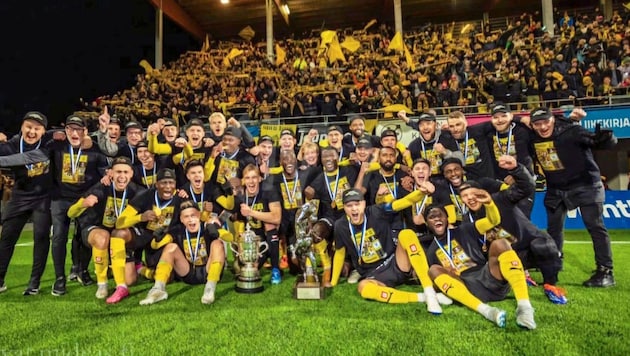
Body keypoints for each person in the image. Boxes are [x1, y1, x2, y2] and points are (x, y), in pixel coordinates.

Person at [529, 107, 616, 287]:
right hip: (556, 188)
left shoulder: (572, 131)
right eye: (537, 124)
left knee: (595, 227)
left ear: (553, 120)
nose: (543, 127)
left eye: (546, 122)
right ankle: (553, 264)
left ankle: (606, 271)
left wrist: (607, 138)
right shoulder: (532, 138)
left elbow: (596, 141)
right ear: (532, 125)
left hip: (586, 184)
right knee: (553, 230)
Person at [423, 192, 537, 329]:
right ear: (427, 223)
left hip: (489, 277)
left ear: (447, 218)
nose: (436, 219)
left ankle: (525, 307)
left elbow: (492, 221)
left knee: (500, 243)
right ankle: (486, 311)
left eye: (439, 215)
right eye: (431, 217)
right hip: (466, 288)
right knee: (433, 269)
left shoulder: (465, 229)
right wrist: (449, 273)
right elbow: (437, 284)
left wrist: (489, 204)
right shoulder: (431, 251)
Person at [330, 188, 452, 314]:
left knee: (406, 234)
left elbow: (405, 201)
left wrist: (421, 192)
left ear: (364, 203)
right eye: (349, 205)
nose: (354, 209)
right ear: (344, 207)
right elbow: (340, 252)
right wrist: (333, 282)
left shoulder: (376, 211)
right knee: (364, 289)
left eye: (357, 204)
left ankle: (429, 292)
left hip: (395, 262)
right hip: (374, 274)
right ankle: (421, 297)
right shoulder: (340, 225)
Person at [67, 156, 144, 301]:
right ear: (110, 173)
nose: (122, 176)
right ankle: (102, 283)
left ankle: (114, 266)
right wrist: (82, 204)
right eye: (118, 172)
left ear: (132, 174)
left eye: (126, 172)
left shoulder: (137, 192)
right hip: (96, 230)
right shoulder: (100, 188)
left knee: (130, 280)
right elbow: (70, 213)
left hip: (119, 236)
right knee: (102, 237)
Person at [139, 200, 232, 305]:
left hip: (208, 270)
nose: (190, 220)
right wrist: (157, 238)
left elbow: (230, 238)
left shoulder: (207, 227)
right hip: (187, 272)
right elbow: (155, 246)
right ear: (181, 219)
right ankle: (158, 289)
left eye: (193, 215)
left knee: (217, 244)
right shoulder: (177, 230)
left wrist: (217, 229)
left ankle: (210, 289)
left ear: (199, 215)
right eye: (186, 217)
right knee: (170, 247)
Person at [0, 112, 52, 295]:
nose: (32, 131)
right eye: (29, 127)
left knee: (41, 237)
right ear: (22, 127)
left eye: (37, 128)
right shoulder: (12, 145)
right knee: (6, 238)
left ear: (43, 131)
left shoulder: (49, 143)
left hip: (43, 197)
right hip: (20, 196)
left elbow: (28, 158)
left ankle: (34, 283)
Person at [114, 168, 182, 303]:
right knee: (119, 233)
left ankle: (141, 269)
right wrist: (140, 217)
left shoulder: (180, 199)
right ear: (156, 185)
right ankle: (120, 286)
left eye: (171, 183)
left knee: (168, 278)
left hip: (159, 240)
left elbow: (182, 226)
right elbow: (119, 222)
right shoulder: (145, 195)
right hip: (141, 236)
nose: (168, 187)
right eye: (164, 183)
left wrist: (166, 237)